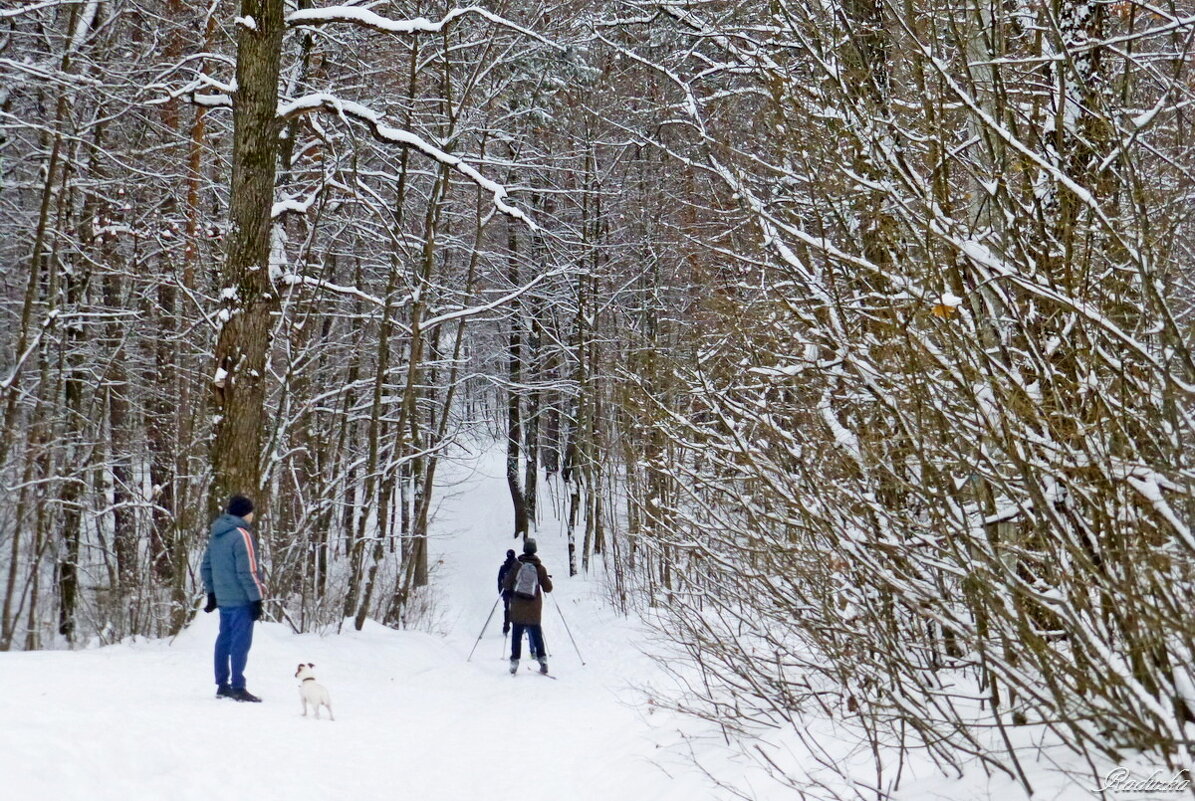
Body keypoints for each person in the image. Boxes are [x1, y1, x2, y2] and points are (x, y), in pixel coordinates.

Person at [200, 495, 266, 702]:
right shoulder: (242, 535)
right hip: (241, 598)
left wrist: (212, 593)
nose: (253, 515)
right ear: (245, 513)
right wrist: (256, 598)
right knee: (240, 643)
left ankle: (222, 685)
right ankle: (238, 686)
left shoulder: (217, 534)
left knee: (224, 640)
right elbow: (248, 571)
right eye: (251, 511)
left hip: (224, 598)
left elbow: (206, 566)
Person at [502, 538, 553, 674]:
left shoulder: (517, 566)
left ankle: (514, 663)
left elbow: (506, 584)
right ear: (535, 550)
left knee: (516, 636)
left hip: (518, 607)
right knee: (537, 635)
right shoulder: (540, 568)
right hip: (534, 609)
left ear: (524, 549)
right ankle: (542, 661)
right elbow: (548, 588)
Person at [497, 549, 518, 635]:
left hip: (516, 591)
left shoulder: (517, 566)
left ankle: (515, 627)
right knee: (507, 609)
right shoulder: (503, 567)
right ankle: (506, 626)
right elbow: (499, 580)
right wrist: (501, 591)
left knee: (514, 609)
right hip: (506, 591)